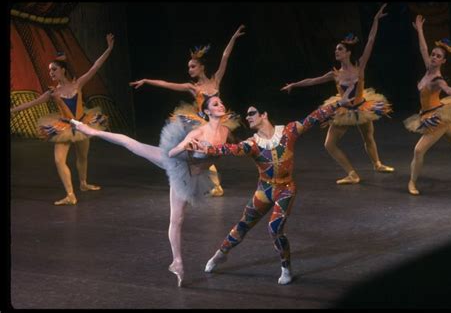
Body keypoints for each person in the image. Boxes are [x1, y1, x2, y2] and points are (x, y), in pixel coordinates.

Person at [190, 85, 354, 285]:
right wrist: (210, 148)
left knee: (274, 228)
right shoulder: (252, 143)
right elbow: (232, 149)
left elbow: (314, 117)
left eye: (252, 113)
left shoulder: (288, 131)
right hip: (264, 190)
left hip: (285, 190)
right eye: (247, 115)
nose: (248, 117)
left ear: (264, 114)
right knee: (243, 224)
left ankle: (286, 268)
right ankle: (220, 254)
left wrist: (339, 103)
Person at [71, 94, 233, 287]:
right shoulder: (198, 133)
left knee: (179, 218)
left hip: (195, 175)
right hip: (178, 166)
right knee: (133, 146)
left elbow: (235, 148)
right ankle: (177, 261)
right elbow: (172, 153)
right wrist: (186, 146)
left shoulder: (225, 131)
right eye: (216, 104)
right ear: (207, 111)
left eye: (221, 102)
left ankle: (176, 262)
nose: (221, 105)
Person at [281, 4, 394, 185]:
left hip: (363, 107)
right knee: (329, 144)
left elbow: (371, 41)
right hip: (344, 111)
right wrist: (294, 84)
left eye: (340, 49)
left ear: (348, 52)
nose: (336, 51)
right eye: (336, 49)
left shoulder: (360, 67)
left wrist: (375, 21)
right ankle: (352, 173)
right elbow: (313, 80)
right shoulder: (335, 74)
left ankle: (377, 164)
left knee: (368, 137)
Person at [129, 24, 246, 197]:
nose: (189, 70)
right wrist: (146, 80)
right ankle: (214, 184)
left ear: (201, 67)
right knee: (206, 151)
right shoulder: (192, 87)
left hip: (217, 121)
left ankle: (213, 183)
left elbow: (225, 56)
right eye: (189, 67)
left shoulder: (215, 81)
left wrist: (233, 38)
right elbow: (166, 84)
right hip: (202, 123)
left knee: (213, 151)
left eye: (192, 66)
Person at [10, 34, 114, 205]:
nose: (51, 73)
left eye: (54, 69)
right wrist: (12, 109)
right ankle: (70, 195)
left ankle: (83, 184)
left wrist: (109, 49)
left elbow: (95, 66)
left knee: (83, 156)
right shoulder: (52, 93)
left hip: (82, 123)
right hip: (64, 128)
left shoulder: (77, 83)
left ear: (63, 70)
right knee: (59, 160)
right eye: (50, 70)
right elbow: (31, 103)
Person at [404, 15, 451, 195]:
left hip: (437, 118)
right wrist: (420, 30)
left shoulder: (437, 79)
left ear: (443, 61)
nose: (433, 57)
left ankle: (412, 183)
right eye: (433, 54)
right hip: (433, 115)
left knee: (418, 150)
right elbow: (423, 48)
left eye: (438, 56)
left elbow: (448, 89)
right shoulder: (428, 70)